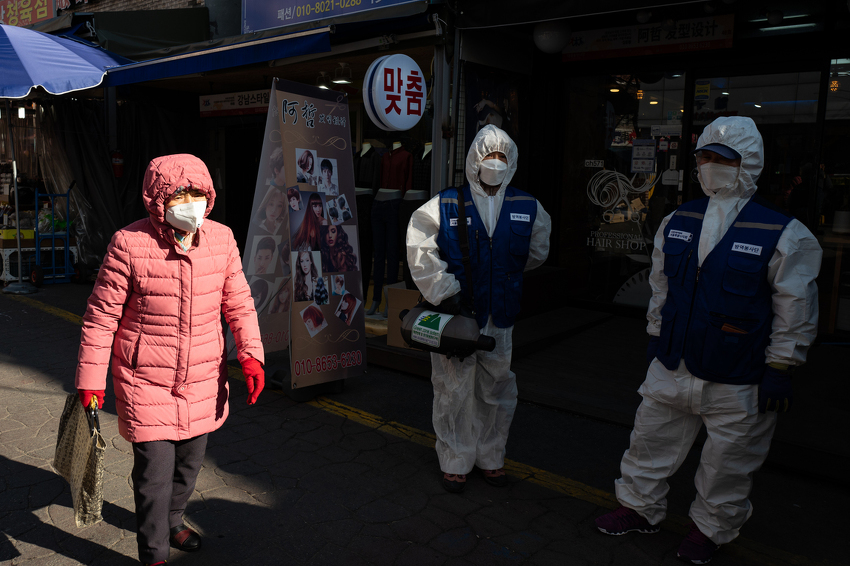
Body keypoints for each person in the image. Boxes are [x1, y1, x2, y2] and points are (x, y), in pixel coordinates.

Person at [594, 117, 822, 565]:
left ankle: (709, 531)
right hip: (673, 362)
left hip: (738, 374)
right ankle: (638, 508)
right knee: (649, 441)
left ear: (747, 164)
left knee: (728, 463)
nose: (710, 165)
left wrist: (781, 366)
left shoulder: (782, 233)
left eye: (722, 159)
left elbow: (796, 307)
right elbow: (661, 287)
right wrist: (656, 336)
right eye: (704, 157)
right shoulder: (678, 220)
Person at [75, 154, 265, 566]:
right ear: (157, 199)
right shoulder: (129, 243)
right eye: (180, 194)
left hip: (202, 379)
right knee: (154, 477)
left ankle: (174, 519)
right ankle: (155, 553)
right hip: (145, 380)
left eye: (198, 193)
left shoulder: (222, 239)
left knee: (190, 465)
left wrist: (251, 356)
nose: (190, 202)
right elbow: (100, 316)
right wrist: (91, 379)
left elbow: (239, 303)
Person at [406, 125, 551, 493]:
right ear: (474, 159)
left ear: (512, 162)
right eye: (489, 156)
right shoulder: (445, 204)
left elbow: (535, 254)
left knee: (496, 387)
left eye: (502, 157)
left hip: (499, 317)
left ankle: (491, 456)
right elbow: (419, 248)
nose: (495, 163)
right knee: (452, 389)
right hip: (458, 317)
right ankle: (455, 459)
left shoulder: (528, 207)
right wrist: (444, 291)